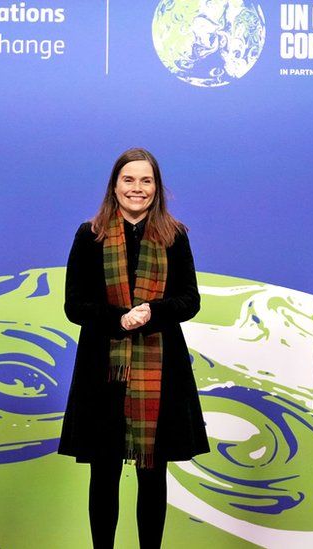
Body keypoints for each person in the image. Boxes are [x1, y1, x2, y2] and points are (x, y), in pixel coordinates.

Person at [58, 148, 209, 548]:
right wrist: (118, 320)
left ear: (156, 188)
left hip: (160, 373)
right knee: (103, 474)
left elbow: (190, 300)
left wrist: (152, 312)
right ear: (114, 185)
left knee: (153, 474)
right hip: (102, 371)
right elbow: (75, 305)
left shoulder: (175, 236)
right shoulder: (88, 235)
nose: (137, 189)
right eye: (129, 180)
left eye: (146, 181)